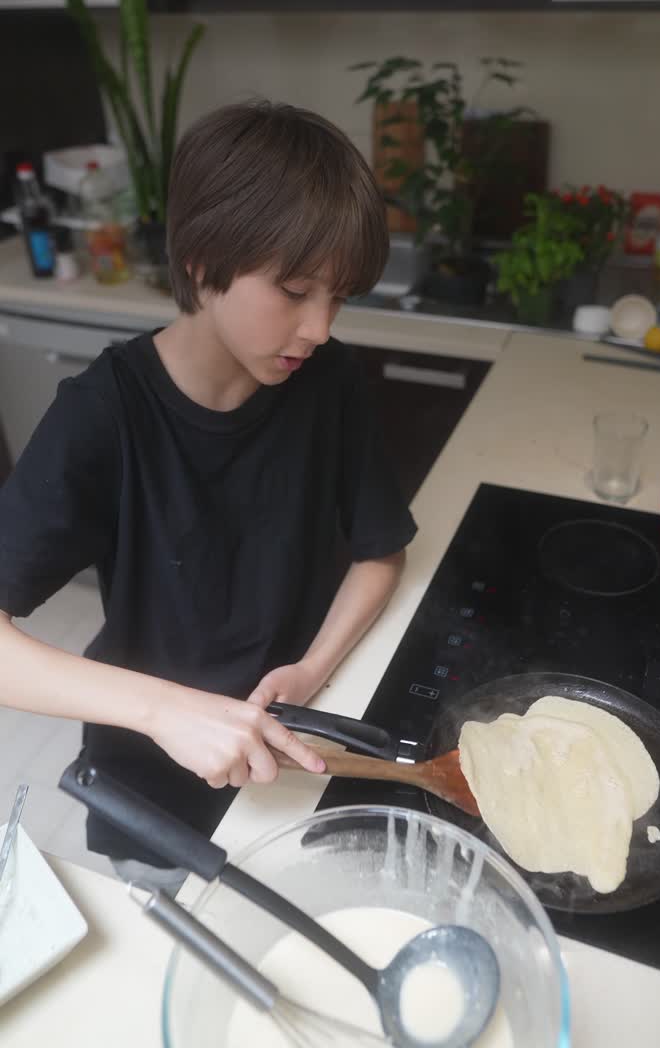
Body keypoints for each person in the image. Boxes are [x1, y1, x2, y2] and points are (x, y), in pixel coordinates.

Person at [0, 101, 416, 892]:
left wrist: (312, 668)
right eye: (295, 291)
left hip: (294, 764)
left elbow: (380, 551)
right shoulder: (104, 413)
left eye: (339, 298)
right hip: (148, 791)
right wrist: (165, 711)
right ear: (199, 263)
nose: (321, 328)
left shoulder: (326, 381)